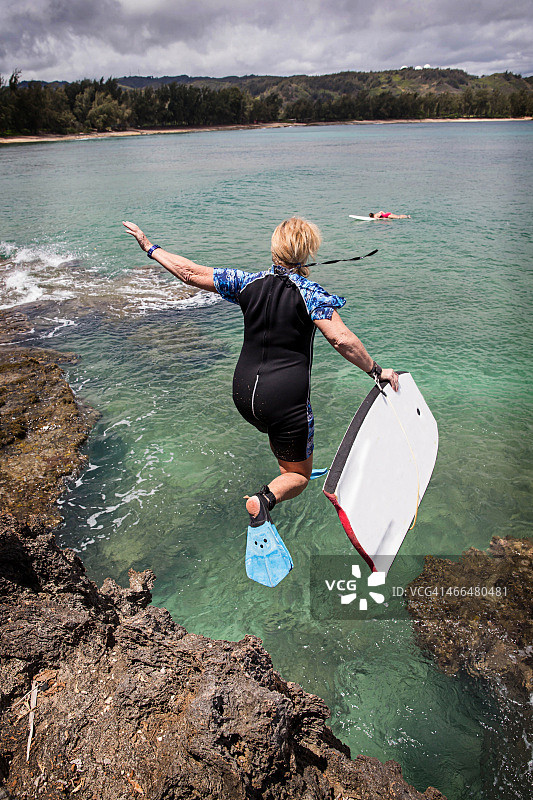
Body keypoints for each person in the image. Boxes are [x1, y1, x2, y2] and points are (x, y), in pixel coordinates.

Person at [122, 217, 399, 528]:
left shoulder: (245, 282)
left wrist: (149, 246)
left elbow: (189, 272)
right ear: (307, 252)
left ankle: (291, 459)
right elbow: (341, 339)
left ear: (274, 250)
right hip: (283, 402)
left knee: (277, 434)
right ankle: (264, 499)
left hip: (244, 397)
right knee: (297, 476)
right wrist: (376, 370)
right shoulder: (311, 293)